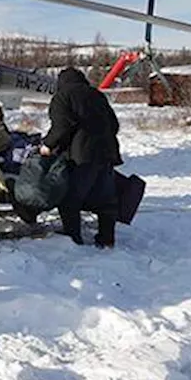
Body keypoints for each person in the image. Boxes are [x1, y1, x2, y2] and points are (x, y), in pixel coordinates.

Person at [39, 66, 122, 248]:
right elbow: (114, 124)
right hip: (107, 153)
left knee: (70, 198)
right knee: (106, 199)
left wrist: (48, 145)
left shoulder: (63, 96)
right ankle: (107, 240)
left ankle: (73, 238)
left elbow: (61, 127)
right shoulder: (97, 95)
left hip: (82, 155)